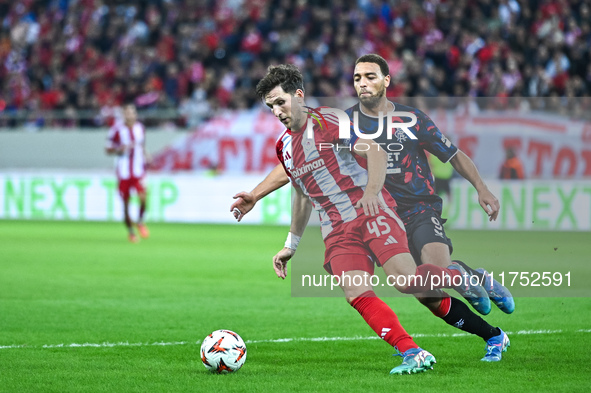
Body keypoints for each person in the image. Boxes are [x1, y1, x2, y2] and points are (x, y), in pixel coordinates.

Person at [231, 55, 513, 363]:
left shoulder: (340, 120)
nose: (276, 112)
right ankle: (423, 350)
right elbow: (299, 185)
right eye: (270, 106)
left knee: (410, 283)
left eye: (280, 102)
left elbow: (382, 150)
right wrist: (288, 240)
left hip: (387, 210)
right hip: (339, 227)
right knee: (366, 294)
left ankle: (457, 276)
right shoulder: (291, 142)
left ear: (298, 95)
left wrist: (372, 192)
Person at [105, 103, 149, 243]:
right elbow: (108, 149)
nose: (130, 115)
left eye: (132, 112)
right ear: (123, 115)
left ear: (135, 114)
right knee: (126, 205)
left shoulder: (140, 128)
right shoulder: (116, 130)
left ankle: (140, 222)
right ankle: (130, 232)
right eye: (127, 113)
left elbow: (141, 145)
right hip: (123, 172)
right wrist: (119, 150)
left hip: (138, 170)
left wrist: (146, 155)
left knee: (143, 197)